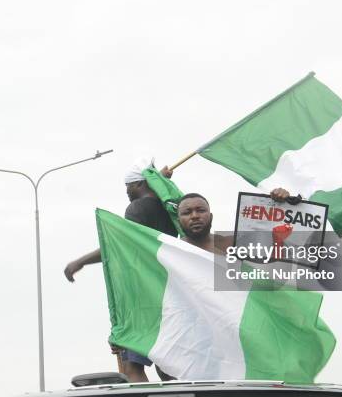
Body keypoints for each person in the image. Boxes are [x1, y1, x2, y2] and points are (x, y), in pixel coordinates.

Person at [63, 157, 176, 382]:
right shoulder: (171, 207)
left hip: (141, 300)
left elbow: (120, 246)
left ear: (139, 184)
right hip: (170, 294)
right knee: (169, 368)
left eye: (128, 186)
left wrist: (81, 261)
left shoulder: (137, 207)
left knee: (132, 366)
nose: (127, 191)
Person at [176, 188, 291, 253]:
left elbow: (280, 250)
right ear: (179, 220)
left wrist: (284, 203)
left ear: (211, 217)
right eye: (187, 213)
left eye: (200, 210)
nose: (194, 216)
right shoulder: (170, 249)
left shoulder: (233, 245)